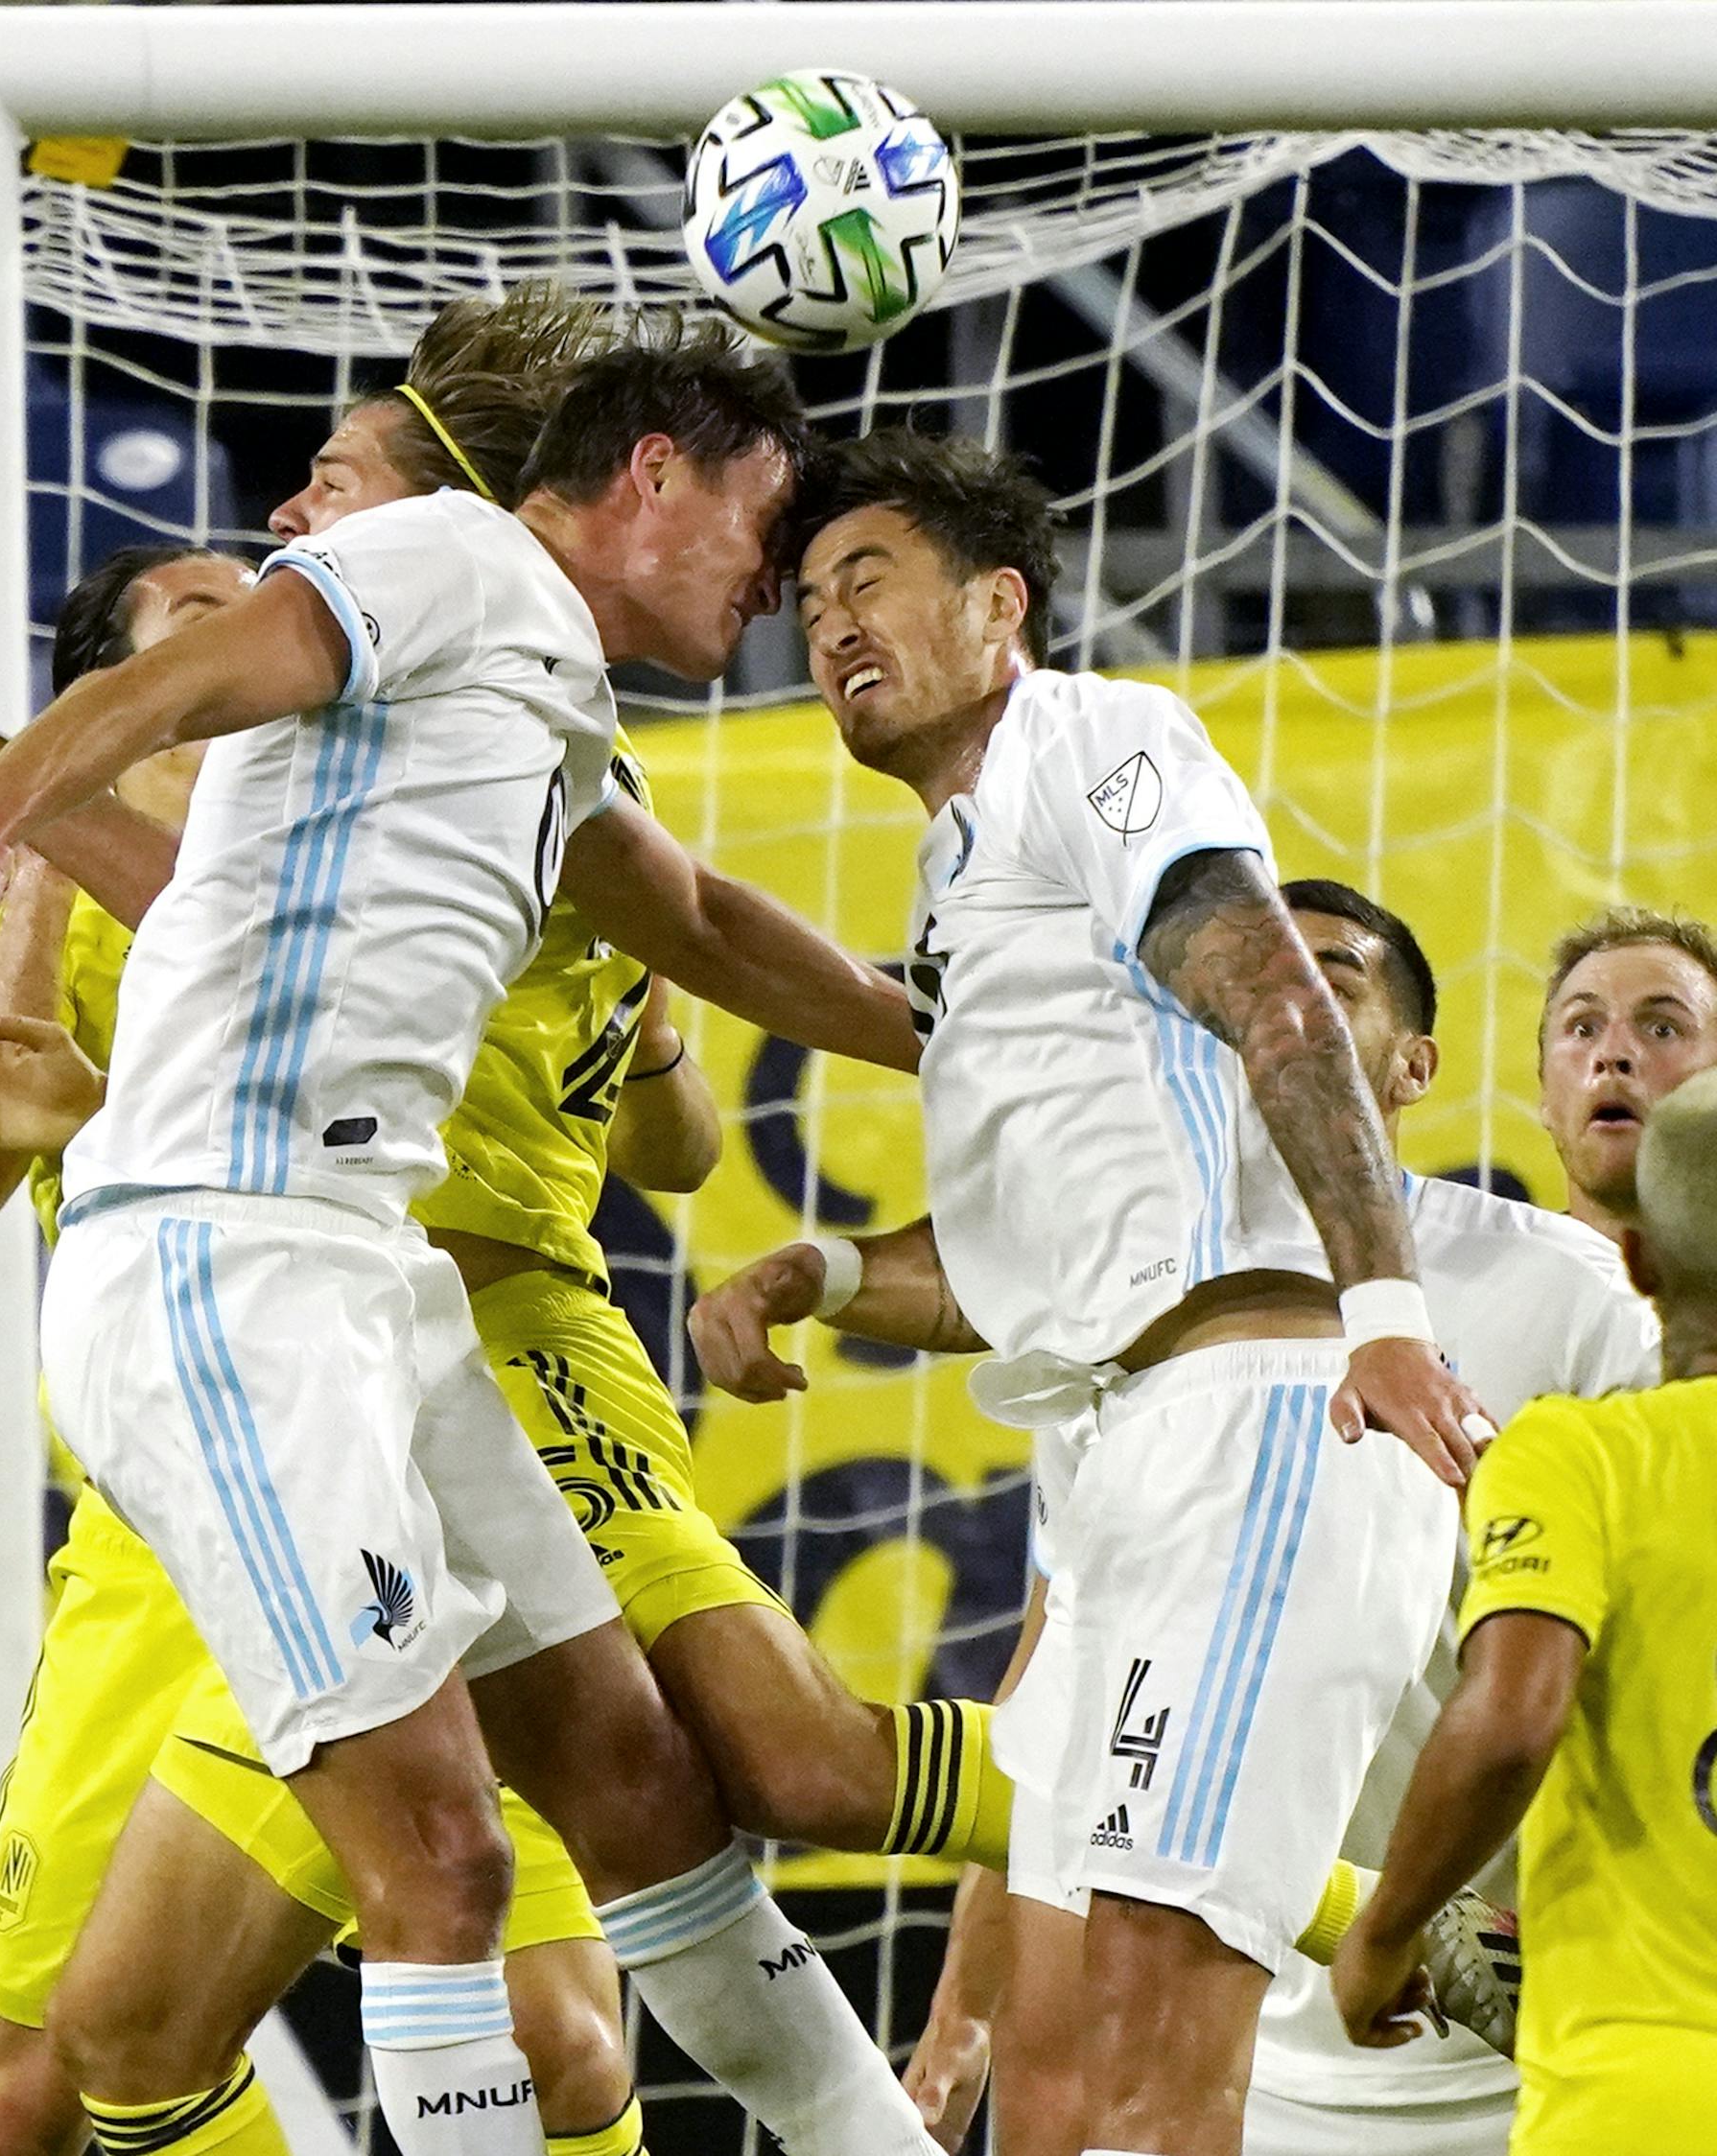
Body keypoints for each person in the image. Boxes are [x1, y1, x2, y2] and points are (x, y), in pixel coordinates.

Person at [0, 324, 948, 2156]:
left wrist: (972, 1026)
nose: (774, 581)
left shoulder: (546, 695)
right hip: (222, 1272)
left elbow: (699, 915)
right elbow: (220, 662)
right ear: (652, 473)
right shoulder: (443, 555)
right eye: (766, 523)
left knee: (637, 1788)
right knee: (441, 1858)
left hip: (370, 1284)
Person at [776, 428, 1490, 2156]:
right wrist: (812, 1274)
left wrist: (1387, 1313)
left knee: (1164, 2060)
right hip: (1111, 1460)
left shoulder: (1092, 740)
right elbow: (1025, 1278)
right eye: (804, 604)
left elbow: (1278, 997)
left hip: (1257, 1430)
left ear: (999, 600)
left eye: (868, 579)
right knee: (1061, 2076)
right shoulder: (958, 881)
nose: (828, 627)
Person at [697, 879, 1659, 2156]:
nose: (1279, 1007)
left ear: (1417, 1065)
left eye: (1336, 980)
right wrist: (965, 2015)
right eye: (1246, 986)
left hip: (1517, 2065)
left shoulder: (1562, 1297)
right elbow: (1068, 1680)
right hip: (1271, 2068)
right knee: (813, 1772)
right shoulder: (1136, 1326)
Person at [1331, 1064, 1717, 2155]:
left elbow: (1508, 1719)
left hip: (1641, 2097)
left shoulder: (1579, 1454)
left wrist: (1386, 1930)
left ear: (1636, 1259)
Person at [1536, 905, 1717, 1242]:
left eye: (1663, 1029)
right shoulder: (1477, 1286)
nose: (1612, 1054)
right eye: (1584, 1028)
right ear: (1544, 1095)